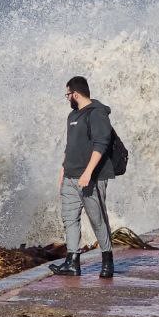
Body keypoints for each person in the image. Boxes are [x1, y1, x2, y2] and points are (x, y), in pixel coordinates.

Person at [48, 76, 116, 278]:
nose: (67, 97)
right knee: (69, 219)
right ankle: (72, 262)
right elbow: (71, 146)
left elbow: (101, 144)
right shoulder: (72, 116)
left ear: (75, 94)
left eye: (68, 94)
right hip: (70, 177)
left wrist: (88, 173)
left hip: (91, 178)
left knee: (97, 219)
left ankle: (107, 261)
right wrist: (63, 168)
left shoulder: (97, 114)